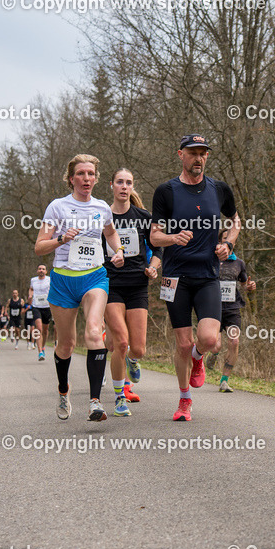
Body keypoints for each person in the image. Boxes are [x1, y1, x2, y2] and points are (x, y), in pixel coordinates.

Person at [149, 134, 240, 421]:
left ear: (207, 156)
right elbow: (154, 236)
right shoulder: (166, 191)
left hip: (207, 275)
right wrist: (173, 237)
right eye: (193, 153)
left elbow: (236, 222)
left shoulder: (219, 189)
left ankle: (198, 358)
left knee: (209, 338)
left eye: (203, 153)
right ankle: (184, 400)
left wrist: (228, 245)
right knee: (182, 344)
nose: (198, 158)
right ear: (181, 155)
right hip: (175, 277)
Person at [34, 154, 125, 421]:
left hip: (94, 277)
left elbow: (110, 233)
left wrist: (118, 250)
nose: (86, 178)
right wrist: (61, 239)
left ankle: (95, 402)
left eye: (91, 174)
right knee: (66, 345)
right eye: (81, 174)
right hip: (63, 280)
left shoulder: (102, 208)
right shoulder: (57, 207)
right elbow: (39, 247)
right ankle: (64, 389)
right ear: (71, 178)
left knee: (94, 332)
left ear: (96, 179)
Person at [103, 168, 161, 416]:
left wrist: (153, 267)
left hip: (138, 285)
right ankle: (119, 397)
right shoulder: (102, 216)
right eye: (120, 182)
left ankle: (132, 359)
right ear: (111, 185)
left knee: (138, 349)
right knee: (121, 343)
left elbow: (158, 249)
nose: (124, 186)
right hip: (110, 285)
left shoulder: (143, 217)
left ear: (132, 187)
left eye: (128, 183)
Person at [206, 230, 257, 392]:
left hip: (232, 309)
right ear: (219, 242)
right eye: (224, 239)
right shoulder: (210, 260)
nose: (227, 242)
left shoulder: (239, 263)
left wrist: (249, 287)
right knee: (215, 345)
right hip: (213, 308)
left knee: (234, 341)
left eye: (230, 240)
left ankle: (224, 381)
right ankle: (213, 355)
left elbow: (244, 284)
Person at [29, 264, 52, 361]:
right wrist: (30, 296)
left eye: (43, 269)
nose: (41, 270)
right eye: (39, 269)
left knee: (45, 331)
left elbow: (54, 289)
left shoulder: (49, 279)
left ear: (46, 271)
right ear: (37, 271)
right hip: (36, 306)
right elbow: (31, 289)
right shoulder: (33, 280)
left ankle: (43, 347)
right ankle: (40, 352)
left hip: (47, 307)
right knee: (39, 328)